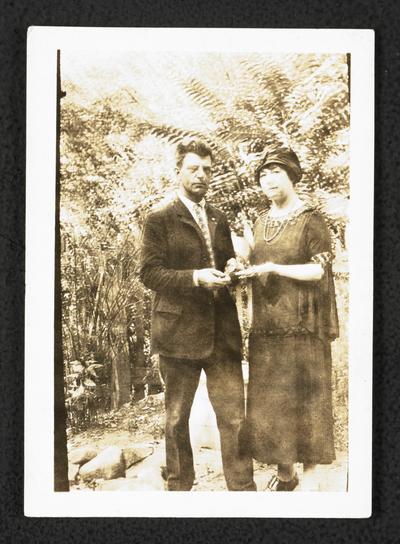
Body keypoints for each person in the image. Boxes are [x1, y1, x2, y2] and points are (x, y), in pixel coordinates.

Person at [139, 138, 256, 491]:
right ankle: (179, 488)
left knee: (234, 417)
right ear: (178, 172)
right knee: (176, 418)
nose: (201, 175)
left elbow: (220, 263)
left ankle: (242, 488)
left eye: (207, 169)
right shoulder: (159, 218)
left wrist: (231, 267)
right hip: (177, 333)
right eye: (193, 168)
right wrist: (195, 278)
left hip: (222, 332)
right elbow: (149, 273)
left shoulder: (218, 217)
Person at [237, 147, 339, 491]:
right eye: (263, 175)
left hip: (303, 325)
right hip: (267, 326)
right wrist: (240, 263)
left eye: (276, 172)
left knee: (305, 398)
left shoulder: (311, 219)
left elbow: (318, 270)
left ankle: (309, 476)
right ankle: (285, 474)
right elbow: (250, 258)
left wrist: (274, 268)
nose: (269, 180)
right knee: (271, 401)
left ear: (292, 176)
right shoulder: (261, 222)